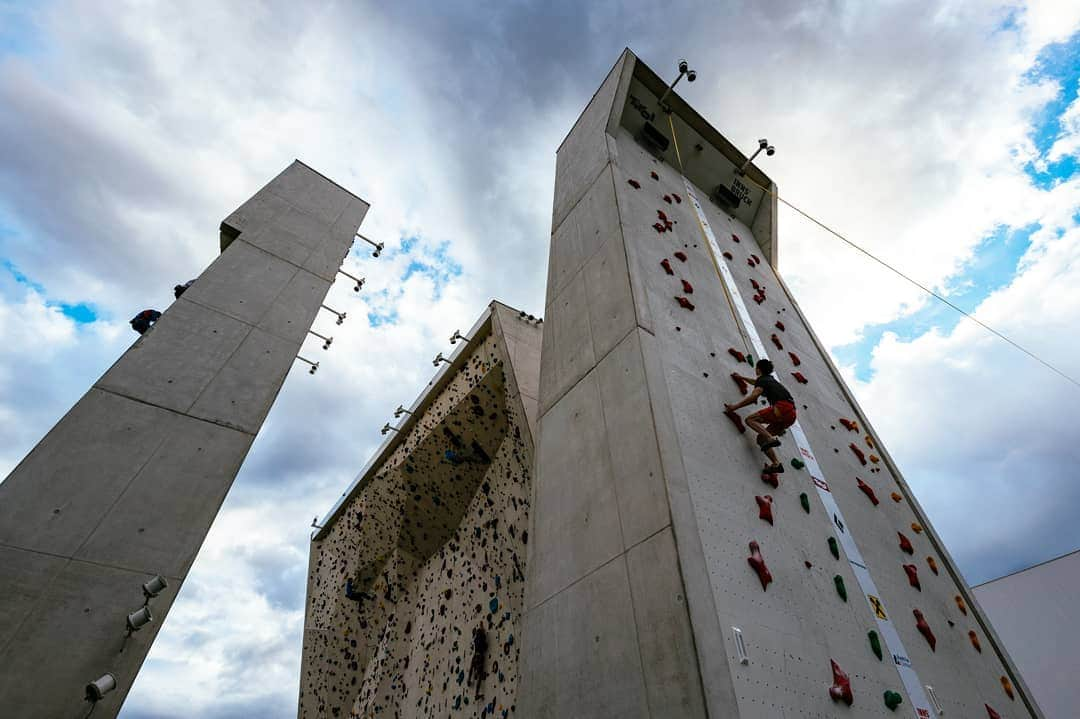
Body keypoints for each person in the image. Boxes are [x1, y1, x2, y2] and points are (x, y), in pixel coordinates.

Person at [725, 359, 797, 474]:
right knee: (761, 439)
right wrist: (742, 378)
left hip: (782, 407)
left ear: (758, 369)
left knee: (750, 420)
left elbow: (754, 396)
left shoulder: (763, 381)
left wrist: (735, 407)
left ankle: (771, 438)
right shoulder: (769, 380)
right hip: (791, 416)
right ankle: (776, 464)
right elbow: (755, 382)